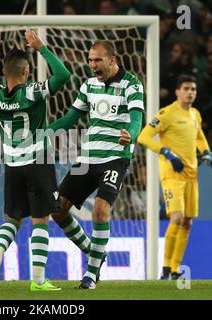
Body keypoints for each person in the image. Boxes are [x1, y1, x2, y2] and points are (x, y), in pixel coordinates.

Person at [0, 27, 70, 291]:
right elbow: (63, 76)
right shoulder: (31, 92)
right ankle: (39, 281)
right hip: (37, 160)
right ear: (25, 72)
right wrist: (40, 46)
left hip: (12, 165)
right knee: (41, 219)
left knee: (12, 219)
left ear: (4, 72)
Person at [47, 40, 144, 289]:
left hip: (115, 157)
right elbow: (71, 117)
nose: (92, 65)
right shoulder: (89, 85)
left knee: (100, 209)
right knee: (57, 210)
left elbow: (136, 120)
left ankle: (90, 275)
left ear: (112, 60)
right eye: (90, 60)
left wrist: (130, 134)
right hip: (88, 157)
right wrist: (42, 134)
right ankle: (96, 253)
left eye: (97, 60)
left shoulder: (132, 84)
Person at [137, 74, 212, 280]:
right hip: (172, 174)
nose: (191, 93)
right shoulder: (166, 114)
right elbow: (143, 137)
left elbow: (199, 137)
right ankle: (164, 269)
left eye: (193, 89)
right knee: (177, 217)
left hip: (191, 174)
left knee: (188, 221)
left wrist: (206, 151)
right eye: (187, 89)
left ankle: (174, 269)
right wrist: (166, 152)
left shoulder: (195, 114)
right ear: (177, 92)